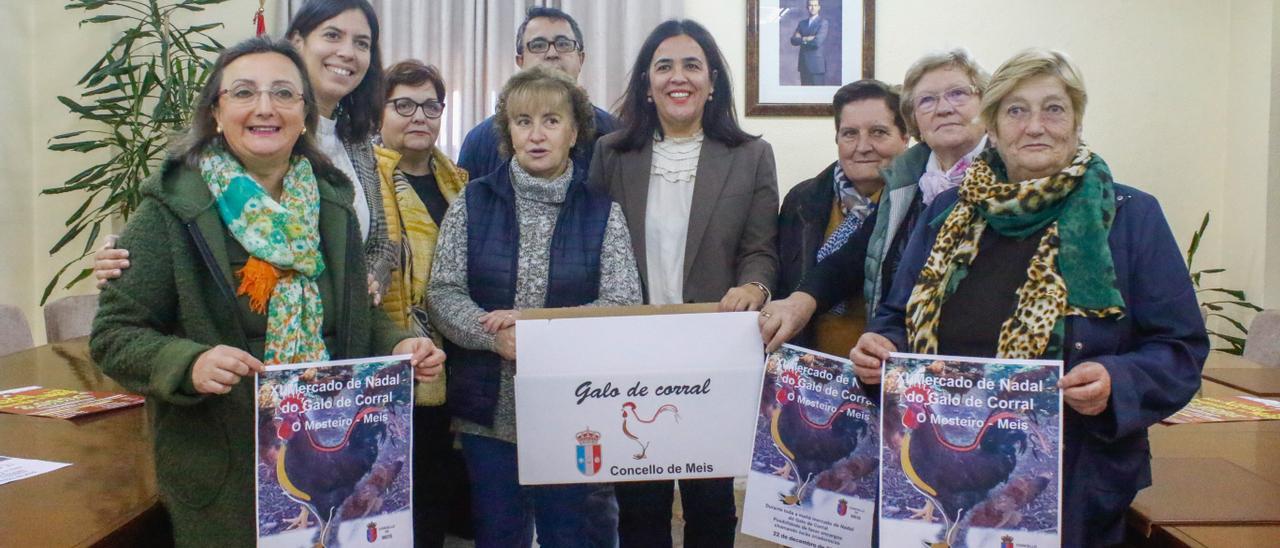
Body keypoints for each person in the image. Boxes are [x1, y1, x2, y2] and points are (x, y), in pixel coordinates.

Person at [89, 36, 445, 547]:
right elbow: (114, 337)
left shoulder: (332, 204)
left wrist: (397, 345)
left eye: (283, 93)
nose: (264, 108)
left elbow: (353, 320)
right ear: (216, 112)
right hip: (224, 472)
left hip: (331, 461)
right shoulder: (171, 207)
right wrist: (189, 362)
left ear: (304, 117)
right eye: (243, 93)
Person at [850, 48, 1207, 546]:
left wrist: (1115, 380)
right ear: (992, 127)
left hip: (1069, 483)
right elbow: (895, 315)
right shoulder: (951, 209)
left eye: (1053, 108)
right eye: (1016, 110)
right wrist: (879, 348)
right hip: (936, 468)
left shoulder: (1131, 216)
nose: (1035, 125)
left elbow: (1180, 349)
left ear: (1077, 122)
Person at [428, 65, 642, 548]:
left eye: (551, 120)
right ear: (508, 133)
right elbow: (443, 293)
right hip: (487, 410)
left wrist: (536, 327)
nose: (537, 134)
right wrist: (495, 337)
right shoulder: (472, 201)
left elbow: (622, 303)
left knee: (570, 535)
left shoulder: (601, 209)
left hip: (573, 409)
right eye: (523, 121)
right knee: (498, 534)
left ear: (574, 133)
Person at [588, 19, 779, 548]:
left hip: (714, 352)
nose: (679, 77)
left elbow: (760, 250)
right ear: (647, 83)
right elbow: (589, 246)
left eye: (692, 65)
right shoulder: (611, 154)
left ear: (712, 80)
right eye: (664, 66)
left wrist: (756, 289)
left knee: (711, 501)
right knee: (640, 503)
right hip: (631, 352)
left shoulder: (751, 155)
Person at [93, 0, 395, 304]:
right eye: (332, 35)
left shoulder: (361, 144)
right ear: (297, 42)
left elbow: (379, 243)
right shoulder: (238, 143)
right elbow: (187, 229)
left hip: (336, 331)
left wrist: (367, 282)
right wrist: (128, 252)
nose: (347, 52)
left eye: (361, 43)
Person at [759, 49, 989, 353]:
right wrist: (801, 301)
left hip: (986, 364)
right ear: (915, 119)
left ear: (986, 104)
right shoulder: (911, 181)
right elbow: (857, 255)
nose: (944, 108)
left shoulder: (1011, 172)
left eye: (958, 93)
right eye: (927, 100)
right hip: (892, 361)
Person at [374, 59, 472, 547]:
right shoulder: (366, 184)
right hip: (393, 356)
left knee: (436, 481)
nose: (419, 116)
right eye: (404, 105)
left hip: (457, 352)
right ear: (380, 111)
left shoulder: (460, 182)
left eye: (430, 105)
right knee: (393, 492)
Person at [768, 79, 908, 356]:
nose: (863, 146)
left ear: (905, 137)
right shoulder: (802, 201)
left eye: (879, 132)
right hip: (808, 373)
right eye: (849, 134)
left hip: (883, 376)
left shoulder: (917, 204)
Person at [457, 6, 617, 179]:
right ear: (520, 60)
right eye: (538, 45)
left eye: (563, 44)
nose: (552, 53)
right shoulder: (480, 141)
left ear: (581, 59)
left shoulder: (613, 134)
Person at [790, 0, 829, 86]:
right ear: (807, 7)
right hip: (803, 64)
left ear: (819, 7)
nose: (813, 8)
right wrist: (806, 38)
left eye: (815, 5)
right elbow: (793, 40)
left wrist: (801, 39)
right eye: (810, 5)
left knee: (818, 96)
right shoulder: (802, 23)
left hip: (816, 66)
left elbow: (817, 43)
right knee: (804, 95)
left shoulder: (823, 23)